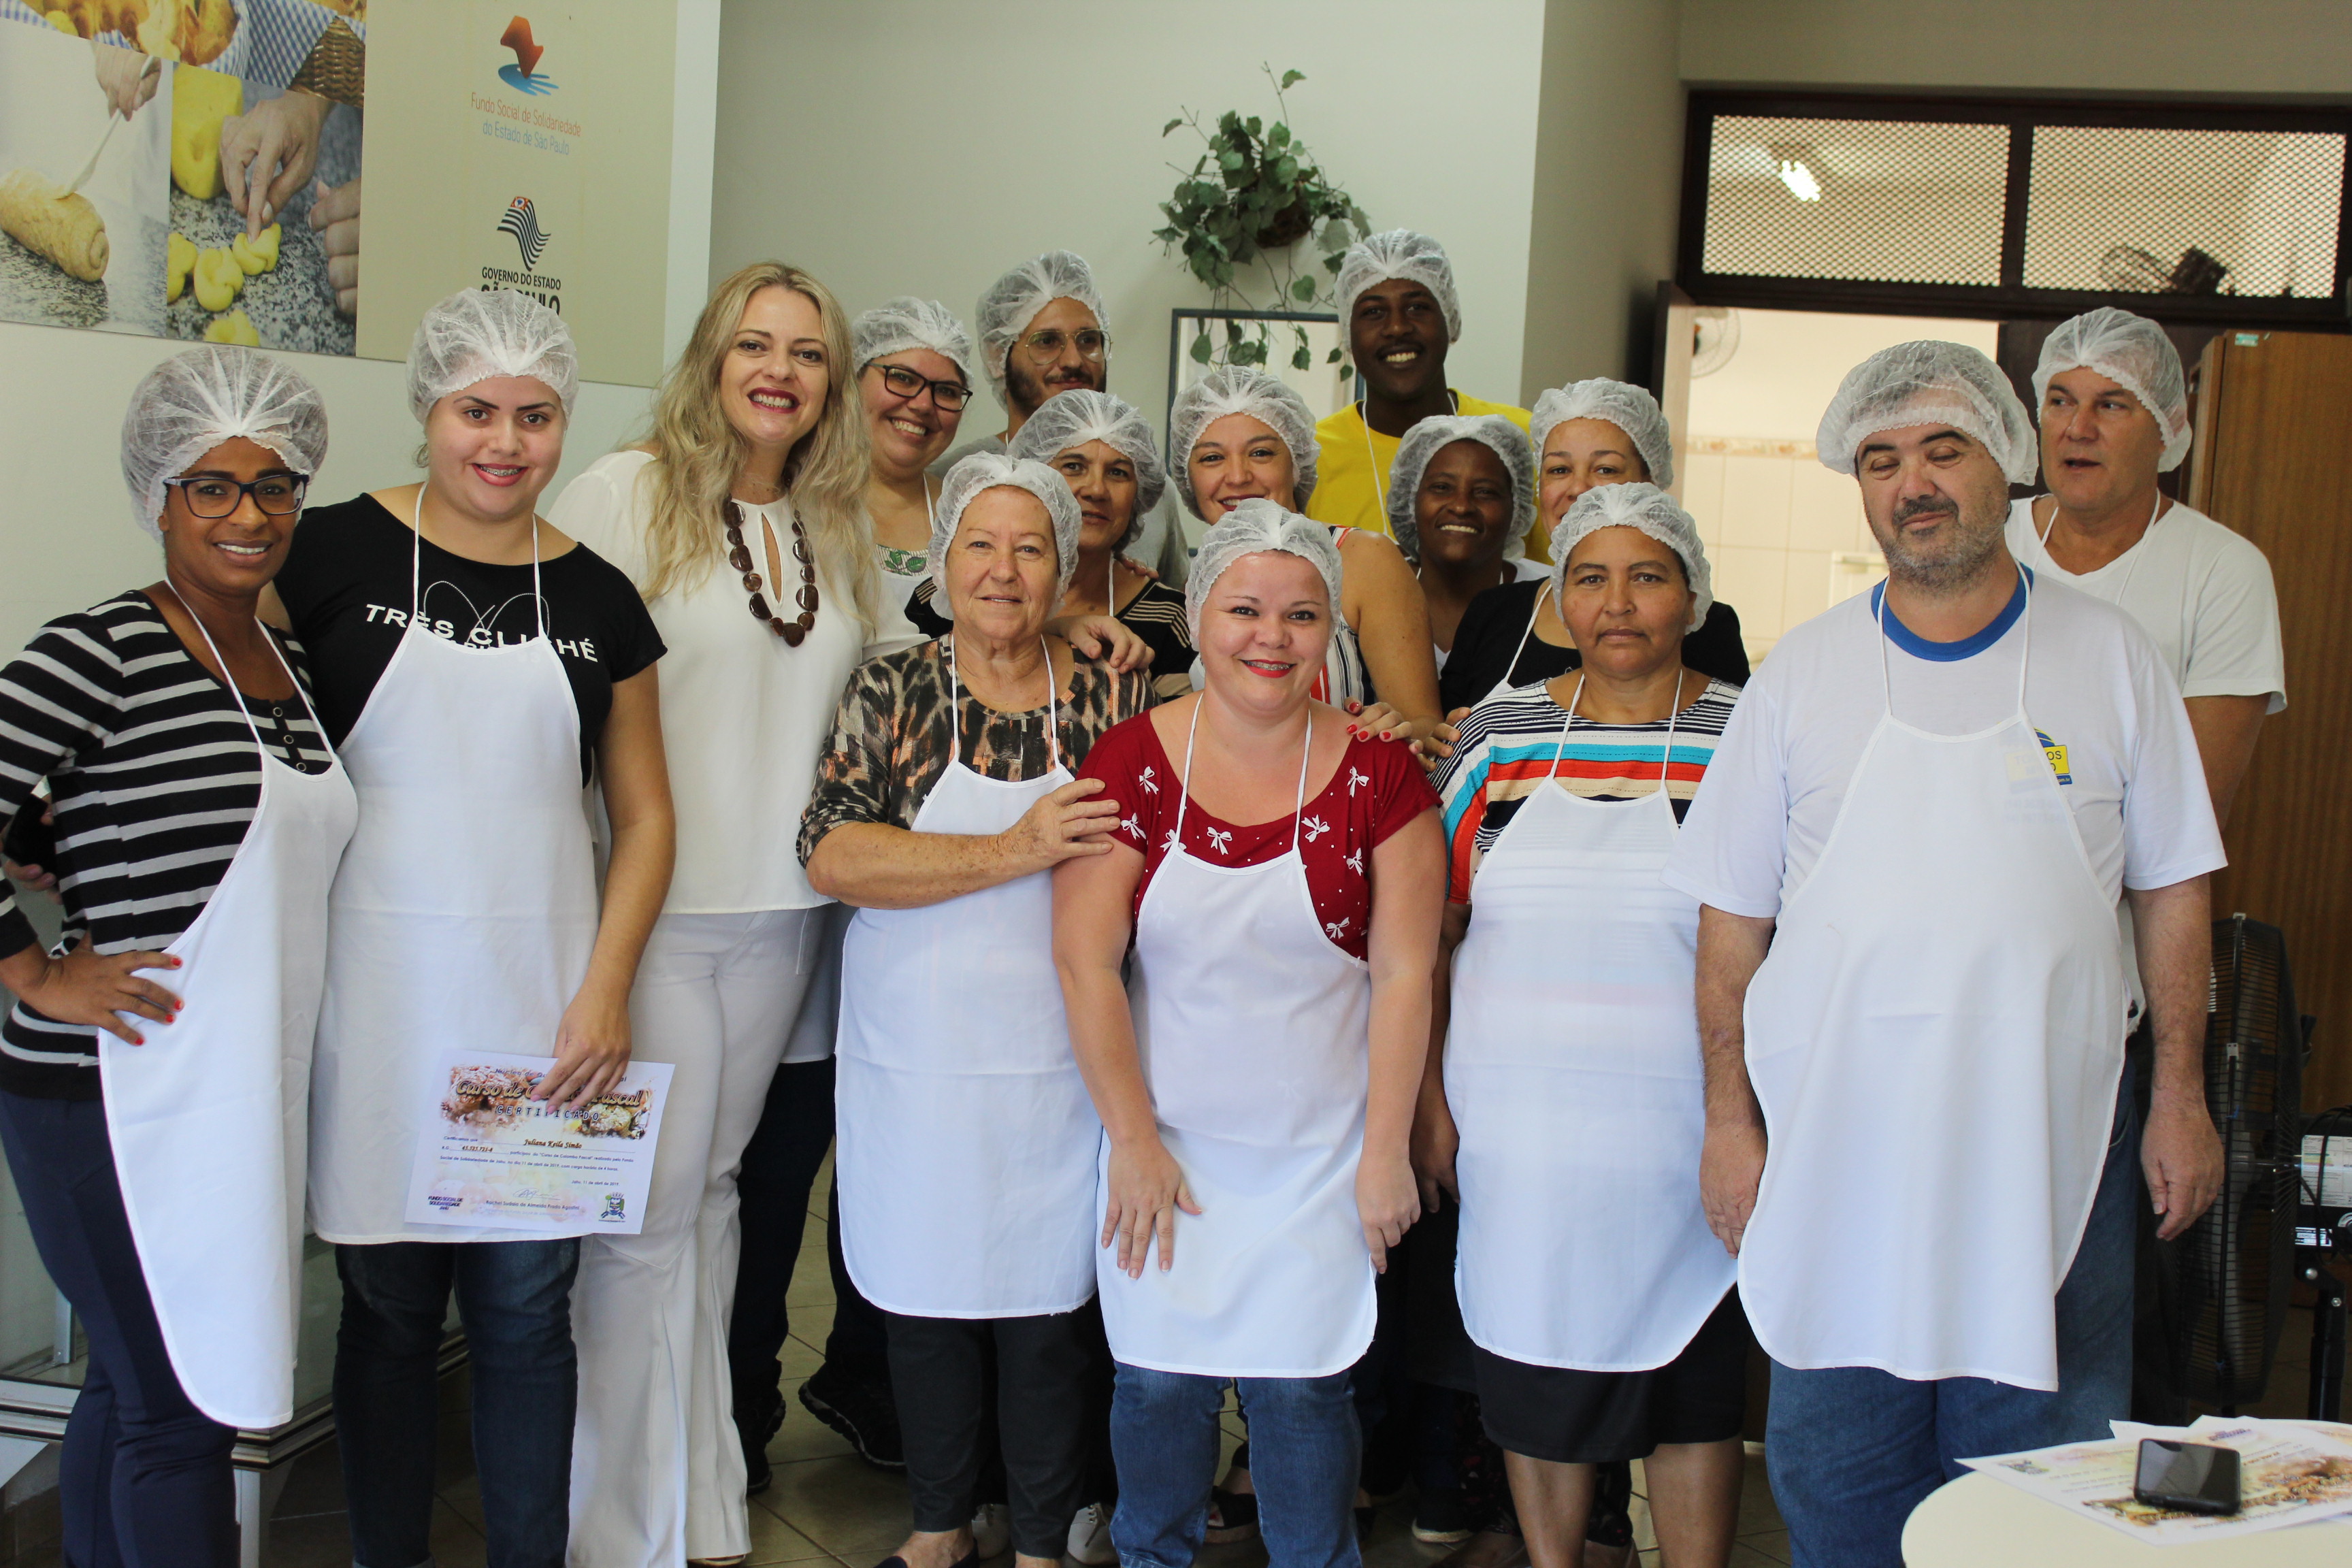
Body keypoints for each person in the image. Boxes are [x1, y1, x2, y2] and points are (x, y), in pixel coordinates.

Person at [1664, 342, 2227, 1567]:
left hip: (2053, 1138)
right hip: (1837, 1149)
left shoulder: (2112, 657)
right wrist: (1727, 1118)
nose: (1912, 483)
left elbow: (2175, 889)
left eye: (1942, 449)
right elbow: (1729, 922)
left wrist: (2179, 1096)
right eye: (1882, 460)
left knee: (2038, 1494)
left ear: (2004, 460)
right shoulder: (1800, 677)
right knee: (1839, 1485)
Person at [277, 290, 674, 1568]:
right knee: (386, 1313)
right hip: (372, 1004)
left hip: (538, 1013)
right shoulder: (323, 553)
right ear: (429, 407)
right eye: (476, 411)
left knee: (523, 1315)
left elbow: (645, 818)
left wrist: (605, 990)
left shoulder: (600, 596)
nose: (505, 442)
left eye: (535, 415)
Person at [542, 261, 885, 1558]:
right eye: (755, 344)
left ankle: (696, 1489)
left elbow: (907, 674)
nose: (779, 371)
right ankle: (615, 1522)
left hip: (785, 914)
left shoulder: (836, 522)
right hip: (656, 914)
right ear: (711, 357)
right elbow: (551, 698)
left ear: (831, 383)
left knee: (716, 1194)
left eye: (806, 351)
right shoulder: (622, 495)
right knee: (643, 1209)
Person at [0, 346, 346, 1568]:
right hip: (104, 1089)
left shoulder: (285, 661)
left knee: (132, 1383)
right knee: (180, 1403)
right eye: (212, 486)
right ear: (159, 496)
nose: (249, 514)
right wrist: (34, 970)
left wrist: (45, 837)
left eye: (274, 484)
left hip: (223, 1086)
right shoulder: (103, 646)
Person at [1055, 502, 1444, 1568]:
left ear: (1332, 631)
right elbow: (1086, 963)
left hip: (1321, 1155)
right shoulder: (1130, 761)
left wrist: (1384, 1154)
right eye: (1244, 610)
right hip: (1168, 1148)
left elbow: (1406, 974)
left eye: (1302, 614)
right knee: (1156, 1389)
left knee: (1307, 1395)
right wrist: (1133, 1141)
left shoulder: (1381, 775)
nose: (1271, 637)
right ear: (1199, 617)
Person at [801, 453, 1152, 1568]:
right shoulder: (891, 688)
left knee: (1050, 1309)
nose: (1002, 570)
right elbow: (833, 852)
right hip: (919, 1056)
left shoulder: (1110, 692)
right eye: (980, 545)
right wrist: (1014, 848)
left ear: (1064, 568)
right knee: (923, 1297)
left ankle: (1041, 1540)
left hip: (1063, 1056)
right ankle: (940, 1526)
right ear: (942, 561)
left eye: (1030, 547)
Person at [1419, 484, 1747, 1568]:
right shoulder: (1497, 736)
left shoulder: (1747, 739)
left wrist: (1751, 1121)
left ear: (1692, 598)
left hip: (1691, 1139)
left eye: (1648, 577)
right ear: (1558, 600)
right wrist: (1430, 1103)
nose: (1618, 604)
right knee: (1533, 1366)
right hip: (1523, 1139)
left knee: (1695, 1397)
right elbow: (1434, 933)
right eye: (1591, 578)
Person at [2008, 307, 2282, 827]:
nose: (2078, 429)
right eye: (2060, 401)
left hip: (2121, 881)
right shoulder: (1990, 543)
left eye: (2111, 405)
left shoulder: (2222, 571)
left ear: (2167, 427)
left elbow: (2190, 813)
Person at [1441, 380, 1748, 714]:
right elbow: (1443, 730)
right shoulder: (1493, 612)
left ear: (1651, 483)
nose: (1579, 489)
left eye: (1605, 469)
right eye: (1559, 469)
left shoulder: (1707, 626)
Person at [1172, 365, 1440, 736]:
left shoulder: (1363, 558)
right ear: (1188, 477)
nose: (1237, 476)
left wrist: (1392, 732)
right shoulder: (1201, 580)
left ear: (1296, 462)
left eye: (1261, 453)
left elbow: (1424, 726)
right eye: (1212, 458)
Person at [937, 251, 1188, 584]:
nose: (1073, 360)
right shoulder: (952, 479)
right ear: (998, 355)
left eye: (1088, 341)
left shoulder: (1149, 492)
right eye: (1047, 341)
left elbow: (1183, 603)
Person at [1305, 231, 1534, 558]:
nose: (1397, 327)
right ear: (1349, 334)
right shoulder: (1311, 459)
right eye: (1373, 312)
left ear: (1449, 320)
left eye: (1417, 307)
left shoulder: (1521, 439)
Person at [1007, 390, 1193, 699]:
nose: (1096, 489)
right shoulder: (970, 591)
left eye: (1117, 473)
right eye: (1074, 466)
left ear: (1139, 494)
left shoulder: (1169, 619)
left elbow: (1180, 727)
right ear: (1031, 478)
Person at [856, 297, 981, 658]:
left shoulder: (971, 517)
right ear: (854, 380)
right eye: (903, 378)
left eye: (946, 392)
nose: (923, 405)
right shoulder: (797, 499)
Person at [1382, 414, 1544, 666]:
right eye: (1442, 487)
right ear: (1410, 498)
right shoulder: (1372, 594)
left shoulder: (1552, 596)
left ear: (1516, 506)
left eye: (1485, 492)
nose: (1461, 506)